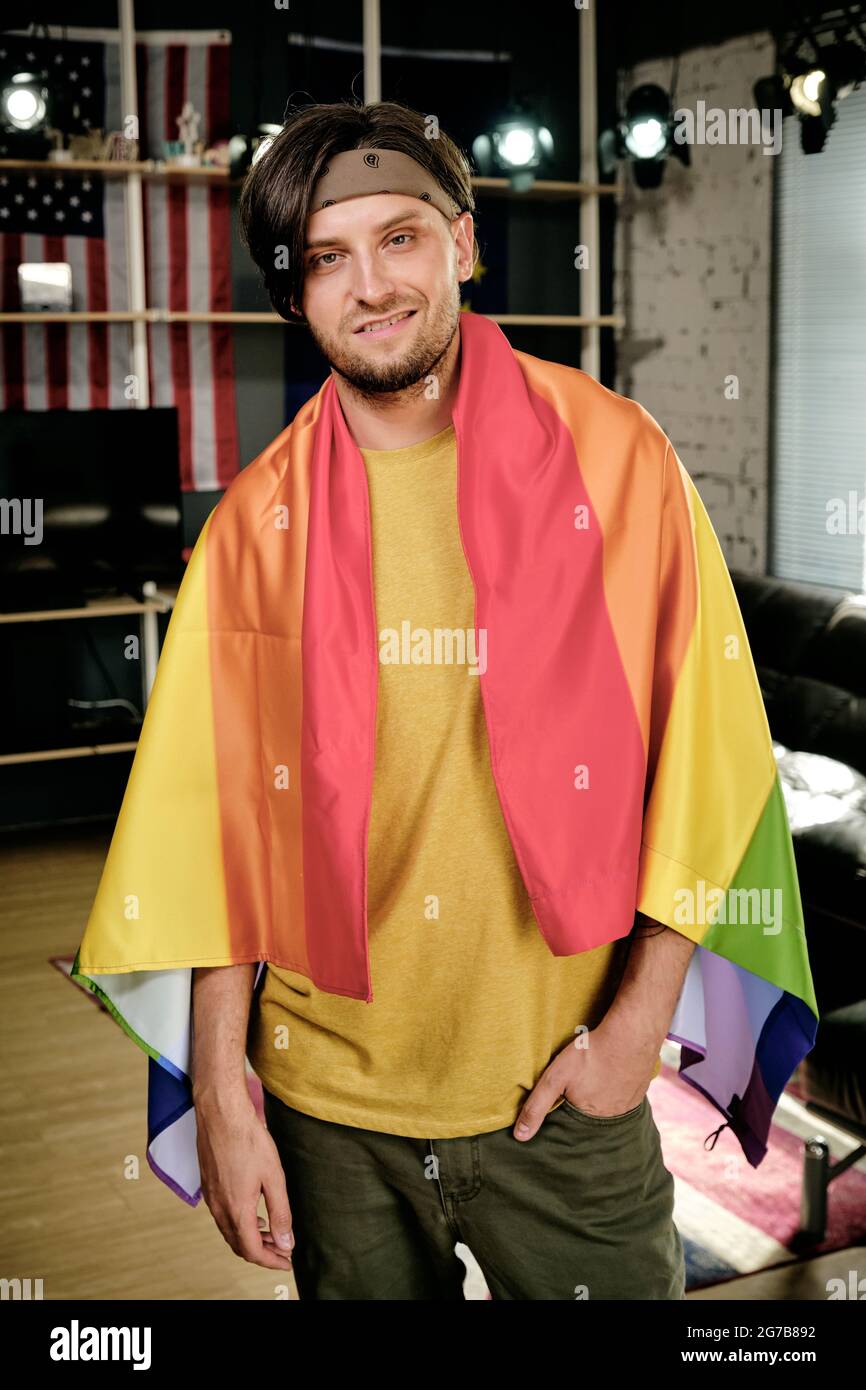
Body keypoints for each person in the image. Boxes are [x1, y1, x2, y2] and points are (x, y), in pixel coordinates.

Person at [72, 99, 818, 1301]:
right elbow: (209, 829)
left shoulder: (618, 460)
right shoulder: (253, 527)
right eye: (326, 257)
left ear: (463, 243)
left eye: (400, 237)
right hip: (327, 1114)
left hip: (563, 1091)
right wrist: (221, 1087)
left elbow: (711, 756)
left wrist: (637, 1027)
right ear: (293, 289)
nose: (369, 286)